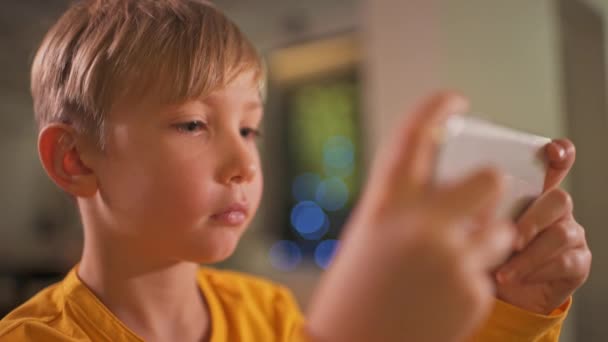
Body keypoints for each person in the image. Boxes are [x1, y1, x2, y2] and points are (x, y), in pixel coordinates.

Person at [0, 0, 591, 341]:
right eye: (192, 125)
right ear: (74, 158)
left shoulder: (272, 315)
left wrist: (517, 313)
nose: (242, 164)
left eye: (249, 129)